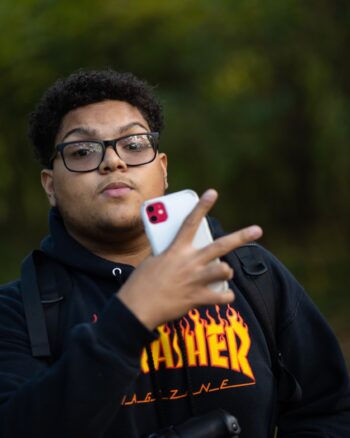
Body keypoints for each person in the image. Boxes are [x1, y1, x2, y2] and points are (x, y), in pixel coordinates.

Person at [0, 69, 349, 438]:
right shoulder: (18, 312)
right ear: (50, 185)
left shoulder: (251, 274)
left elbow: (330, 410)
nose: (113, 162)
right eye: (82, 151)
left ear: (162, 169)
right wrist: (129, 319)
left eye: (133, 144)